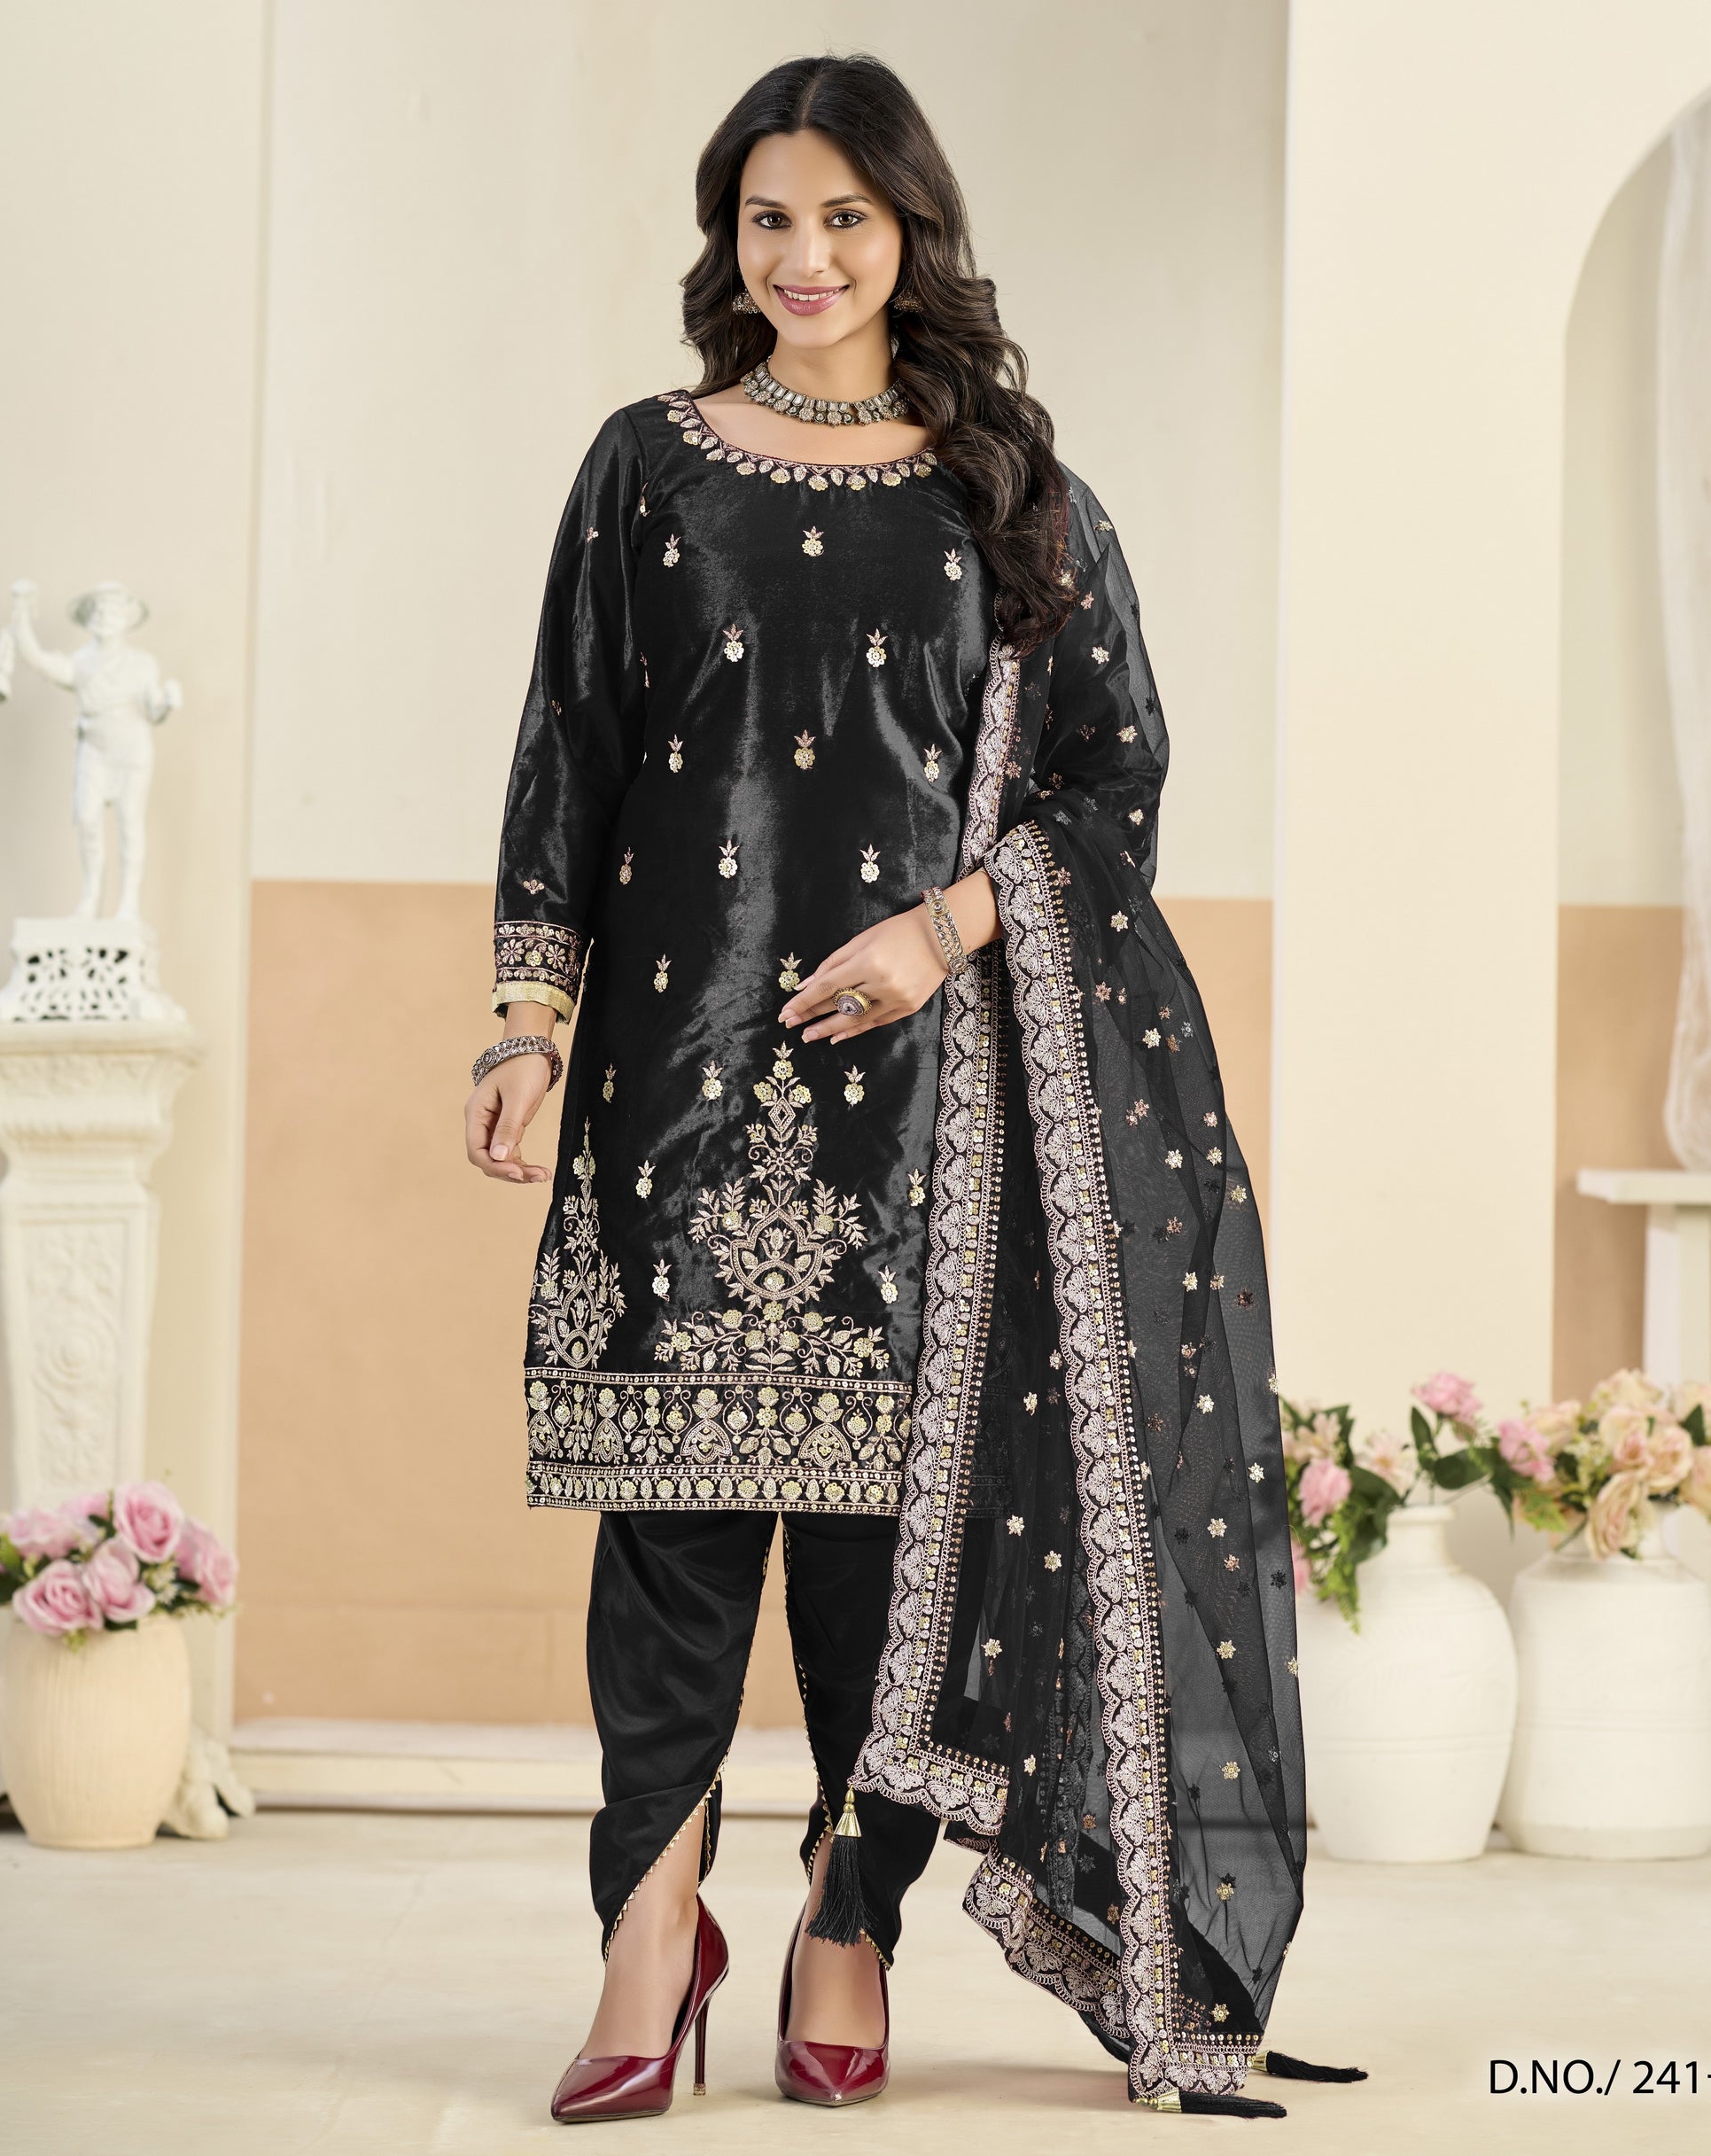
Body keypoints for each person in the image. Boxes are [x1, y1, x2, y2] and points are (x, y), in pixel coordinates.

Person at [466, 51, 1357, 2125]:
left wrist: (943, 931)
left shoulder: (1003, 489)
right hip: (670, 1083)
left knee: (891, 1548)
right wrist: (524, 1017)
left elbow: (1111, 780)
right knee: (669, 1528)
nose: (804, 256)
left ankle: (841, 1914)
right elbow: (568, 748)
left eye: (843, 218)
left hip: (929, 1107)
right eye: (767, 218)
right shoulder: (645, 465)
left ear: (909, 232)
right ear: (729, 237)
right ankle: (647, 1927)